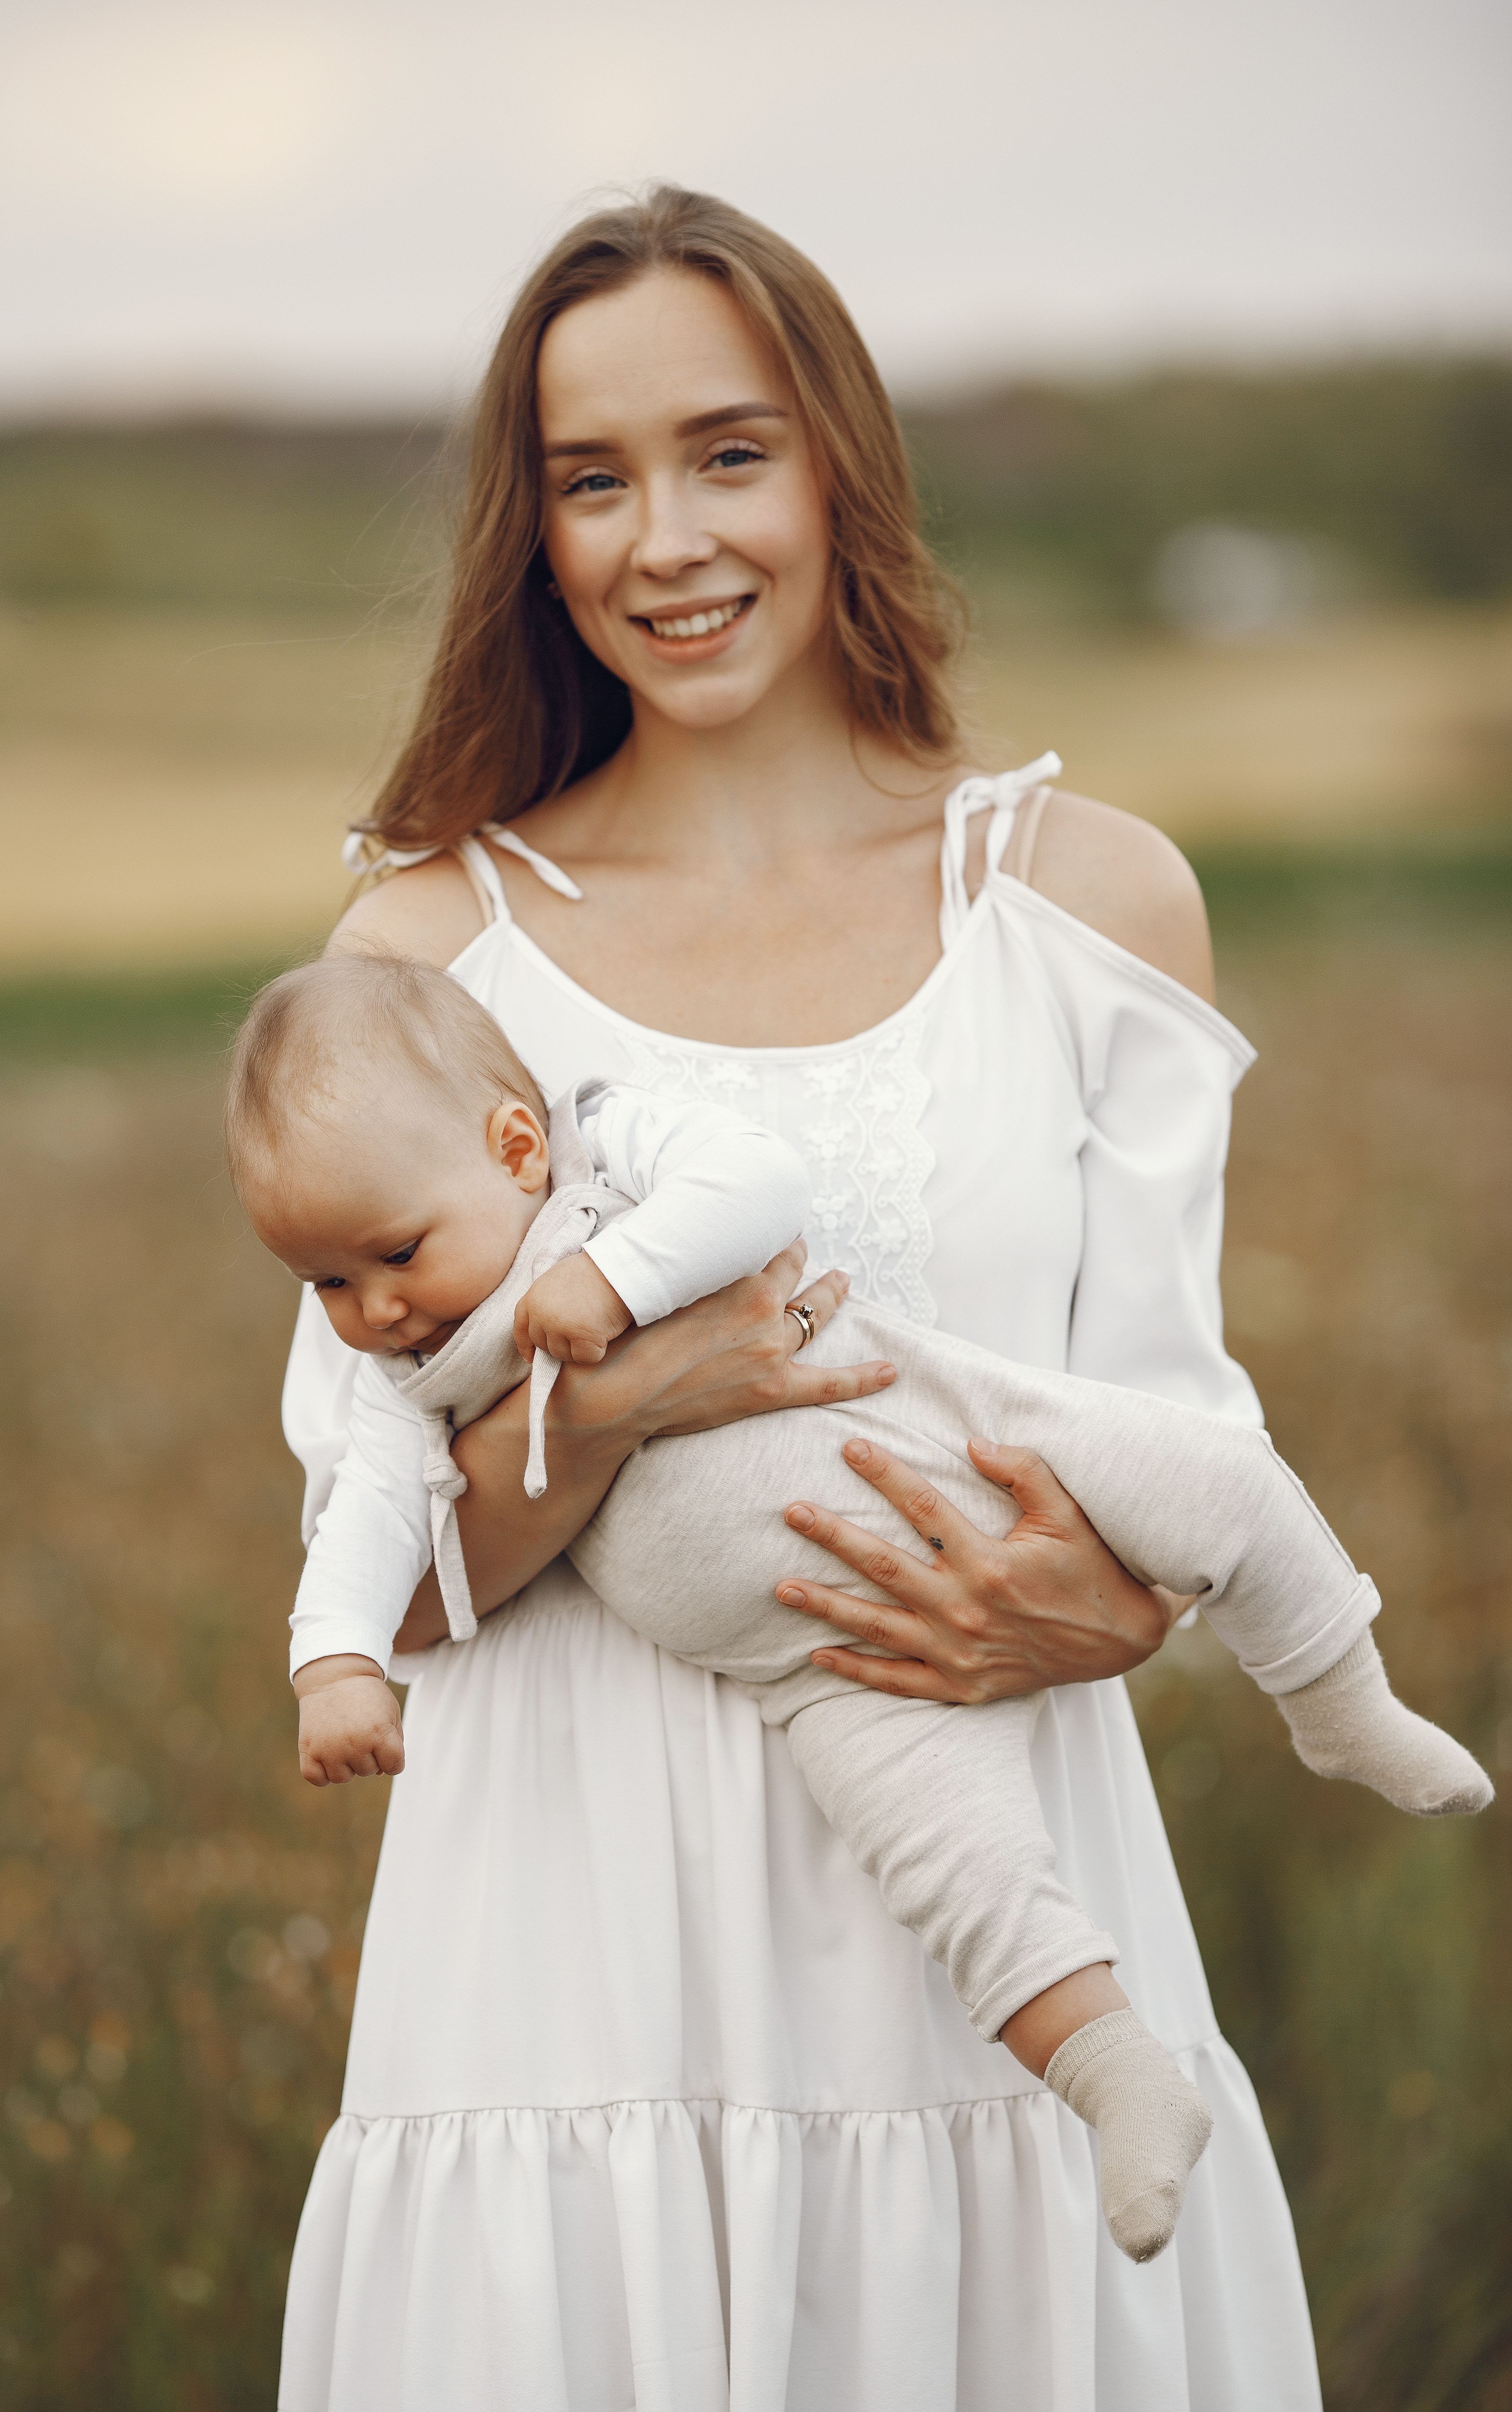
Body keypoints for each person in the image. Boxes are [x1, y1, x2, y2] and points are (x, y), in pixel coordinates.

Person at [277, 184, 1329, 2406]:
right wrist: (651, 1389)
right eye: (593, 479)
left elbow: (1179, 1473)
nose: (666, 537)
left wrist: (1115, 1610)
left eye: (729, 452)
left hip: (1001, 1963)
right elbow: (401, 1579)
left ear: (840, 459)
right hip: (565, 1977)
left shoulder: (1089, 906)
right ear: (533, 527)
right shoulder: (424, 952)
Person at [233, 951, 1487, 2269]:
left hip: (954, 1433)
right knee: (961, 1866)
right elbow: (369, 1532)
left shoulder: (608, 1151)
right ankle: (1121, 2077)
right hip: (815, 1651)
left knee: (1218, 1481)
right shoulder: (406, 1377)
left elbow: (757, 1186)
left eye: (390, 1256)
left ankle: (1339, 1698)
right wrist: (336, 1669)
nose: (370, 1311)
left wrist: (610, 1289)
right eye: (321, 1283)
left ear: (514, 1146)